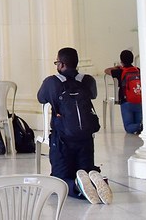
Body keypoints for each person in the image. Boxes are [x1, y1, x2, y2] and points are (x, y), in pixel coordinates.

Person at [38, 47, 111, 204]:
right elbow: (93, 94)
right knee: (85, 170)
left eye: (57, 62)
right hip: (86, 139)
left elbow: (41, 98)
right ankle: (95, 179)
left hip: (63, 139)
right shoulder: (87, 80)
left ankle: (77, 186)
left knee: (58, 180)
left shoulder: (52, 82)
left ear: (62, 64)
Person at [104, 49, 142, 135]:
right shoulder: (137, 70)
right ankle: (142, 126)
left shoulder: (119, 71)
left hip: (126, 102)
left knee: (128, 127)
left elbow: (106, 70)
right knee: (138, 122)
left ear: (121, 61)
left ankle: (140, 126)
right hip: (139, 101)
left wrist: (116, 67)